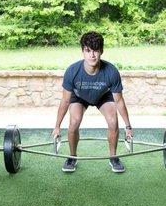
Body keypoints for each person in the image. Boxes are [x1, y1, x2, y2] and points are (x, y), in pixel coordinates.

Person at [52, 31, 133, 173]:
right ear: (82, 51)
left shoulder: (111, 72)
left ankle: (113, 157)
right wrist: (57, 126)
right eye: (88, 50)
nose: (92, 55)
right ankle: (72, 157)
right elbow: (65, 101)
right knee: (74, 121)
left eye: (95, 50)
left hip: (103, 95)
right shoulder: (72, 71)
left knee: (113, 120)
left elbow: (119, 101)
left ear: (101, 51)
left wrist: (128, 127)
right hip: (80, 96)